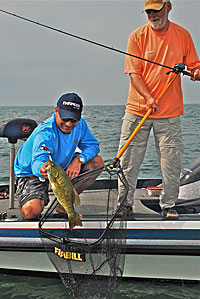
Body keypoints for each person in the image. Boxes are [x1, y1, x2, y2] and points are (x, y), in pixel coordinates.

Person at [117, 0, 200, 219]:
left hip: (170, 113)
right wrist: (148, 97)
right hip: (138, 111)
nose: (152, 15)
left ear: (168, 7)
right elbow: (134, 73)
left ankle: (168, 206)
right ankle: (124, 206)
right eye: (149, 12)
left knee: (171, 162)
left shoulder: (183, 35)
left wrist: (196, 72)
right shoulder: (137, 37)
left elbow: (195, 65)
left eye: (156, 10)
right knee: (128, 162)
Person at [14, 92, 104, 219]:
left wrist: (79, 160)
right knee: (32, 212)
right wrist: (42, 169)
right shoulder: (45, 132)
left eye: (73, 120)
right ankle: (30, 196)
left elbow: (93, 145)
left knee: (97, 162)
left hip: (60, 167)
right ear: (56, 110)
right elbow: (38, 161)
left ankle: (64, 206)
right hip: (32, 172)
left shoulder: (81, 124)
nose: (68, 124)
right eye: (65, 118)